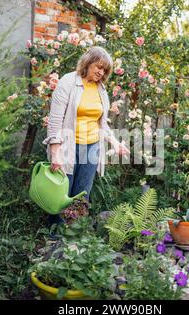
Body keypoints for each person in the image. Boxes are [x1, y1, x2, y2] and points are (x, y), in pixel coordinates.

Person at [42, 46, 130, 232]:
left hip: (91, 147)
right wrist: (55, 152)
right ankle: (54, 238)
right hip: (67, 145)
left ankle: (75, 235)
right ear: (88, 62)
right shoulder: (68, 82)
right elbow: (55, 120)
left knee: (82, 193)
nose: (101, 72)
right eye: (98, 66)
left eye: (105, 70)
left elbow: (101, 124)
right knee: (61, 191)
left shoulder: (101, 90)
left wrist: (114, 142)